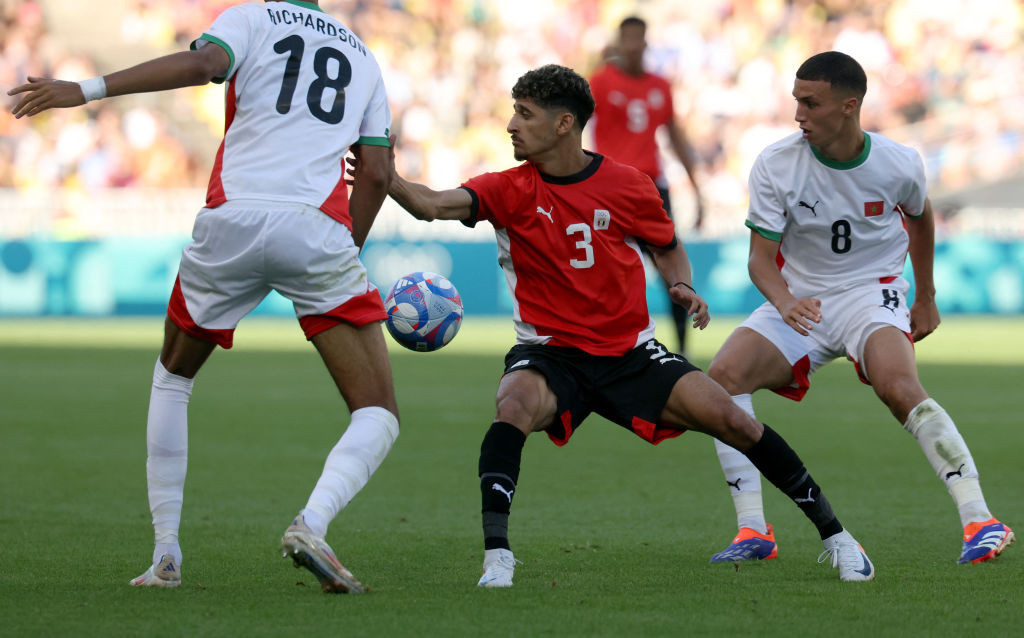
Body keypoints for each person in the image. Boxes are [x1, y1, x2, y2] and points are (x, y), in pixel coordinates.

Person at [384, 63, 876, 586]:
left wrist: (681, 285)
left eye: (524, 114)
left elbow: (667, 247)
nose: (511, 125)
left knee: (735, 421)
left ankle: (838, 539)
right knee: (514, 406)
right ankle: (498, 558)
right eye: (513, 113)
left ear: (563, 124)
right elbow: (432, 205)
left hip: (630, 353)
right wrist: (386, 175)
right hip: (551, 353)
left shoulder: (628, 185)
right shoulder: (507, 189)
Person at [9, 0, 399, 593]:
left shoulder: (251, 17)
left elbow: (205, 64)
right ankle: (311, 522)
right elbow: (374, 172)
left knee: (173, 377)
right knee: (377, 413)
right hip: (316, 230)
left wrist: (83, 89)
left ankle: (166, 556)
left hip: (233, 219)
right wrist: (342, 254)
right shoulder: (363, 57)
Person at [706, 51, 1013, 566]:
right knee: (722, 378)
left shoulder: (898, 161)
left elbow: (921, 218)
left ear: (849, 107)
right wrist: (784, 302)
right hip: (801, 298)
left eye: (811, 103)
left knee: (898, 386)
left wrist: (927, 295)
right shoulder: (775, 163)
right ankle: (753, 531)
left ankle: (980, 519)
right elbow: (760, 261)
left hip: (873, 292)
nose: (798, 114)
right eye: (796, 101)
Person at [589, 16, 704, 355]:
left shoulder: (660, 85)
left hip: (650, 187)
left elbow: (675, 135)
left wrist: (696, 187)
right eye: (628, 39)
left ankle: (683, 350)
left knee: (671, 269)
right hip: (608, 189)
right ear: (619, 42)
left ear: (646, 42)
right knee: (608, 272)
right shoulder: (600, 81)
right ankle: (603, 347)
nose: (634, 45)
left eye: (639, 38)